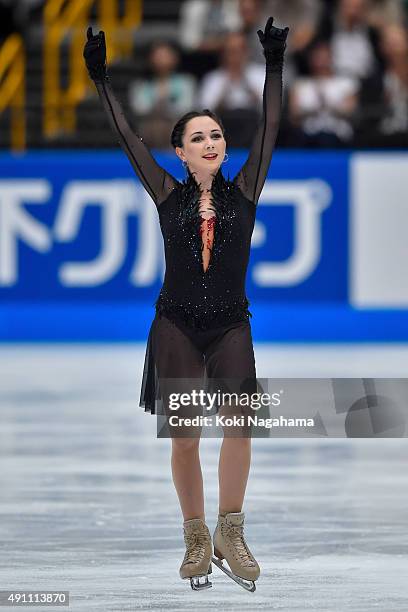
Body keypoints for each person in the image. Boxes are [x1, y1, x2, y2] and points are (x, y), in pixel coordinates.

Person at [83, 17, 288, 592]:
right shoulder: (166, 193)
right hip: (174, 324)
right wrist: (101, 81)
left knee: (241, 425)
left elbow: (271, 126)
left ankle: (231, 529)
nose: (210, 143)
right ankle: (195, 535)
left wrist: (273, 63)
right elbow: (128, 138)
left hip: (230, 325)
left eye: (216, 135)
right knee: (185, 435)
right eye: (197, 137)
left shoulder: (245, 190)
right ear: (179, 152)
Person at [128, 41, 196, 149]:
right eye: (157, 56)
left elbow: (186, 107)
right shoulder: (142, 85)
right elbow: (139, 108)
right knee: (153, 128)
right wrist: (159, 105)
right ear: (150, 59)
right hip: (149, 125)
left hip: (176, 123)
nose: (161, 60)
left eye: (165, 56)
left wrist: (165, 106)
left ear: (174, 58)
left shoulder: (185, 82)